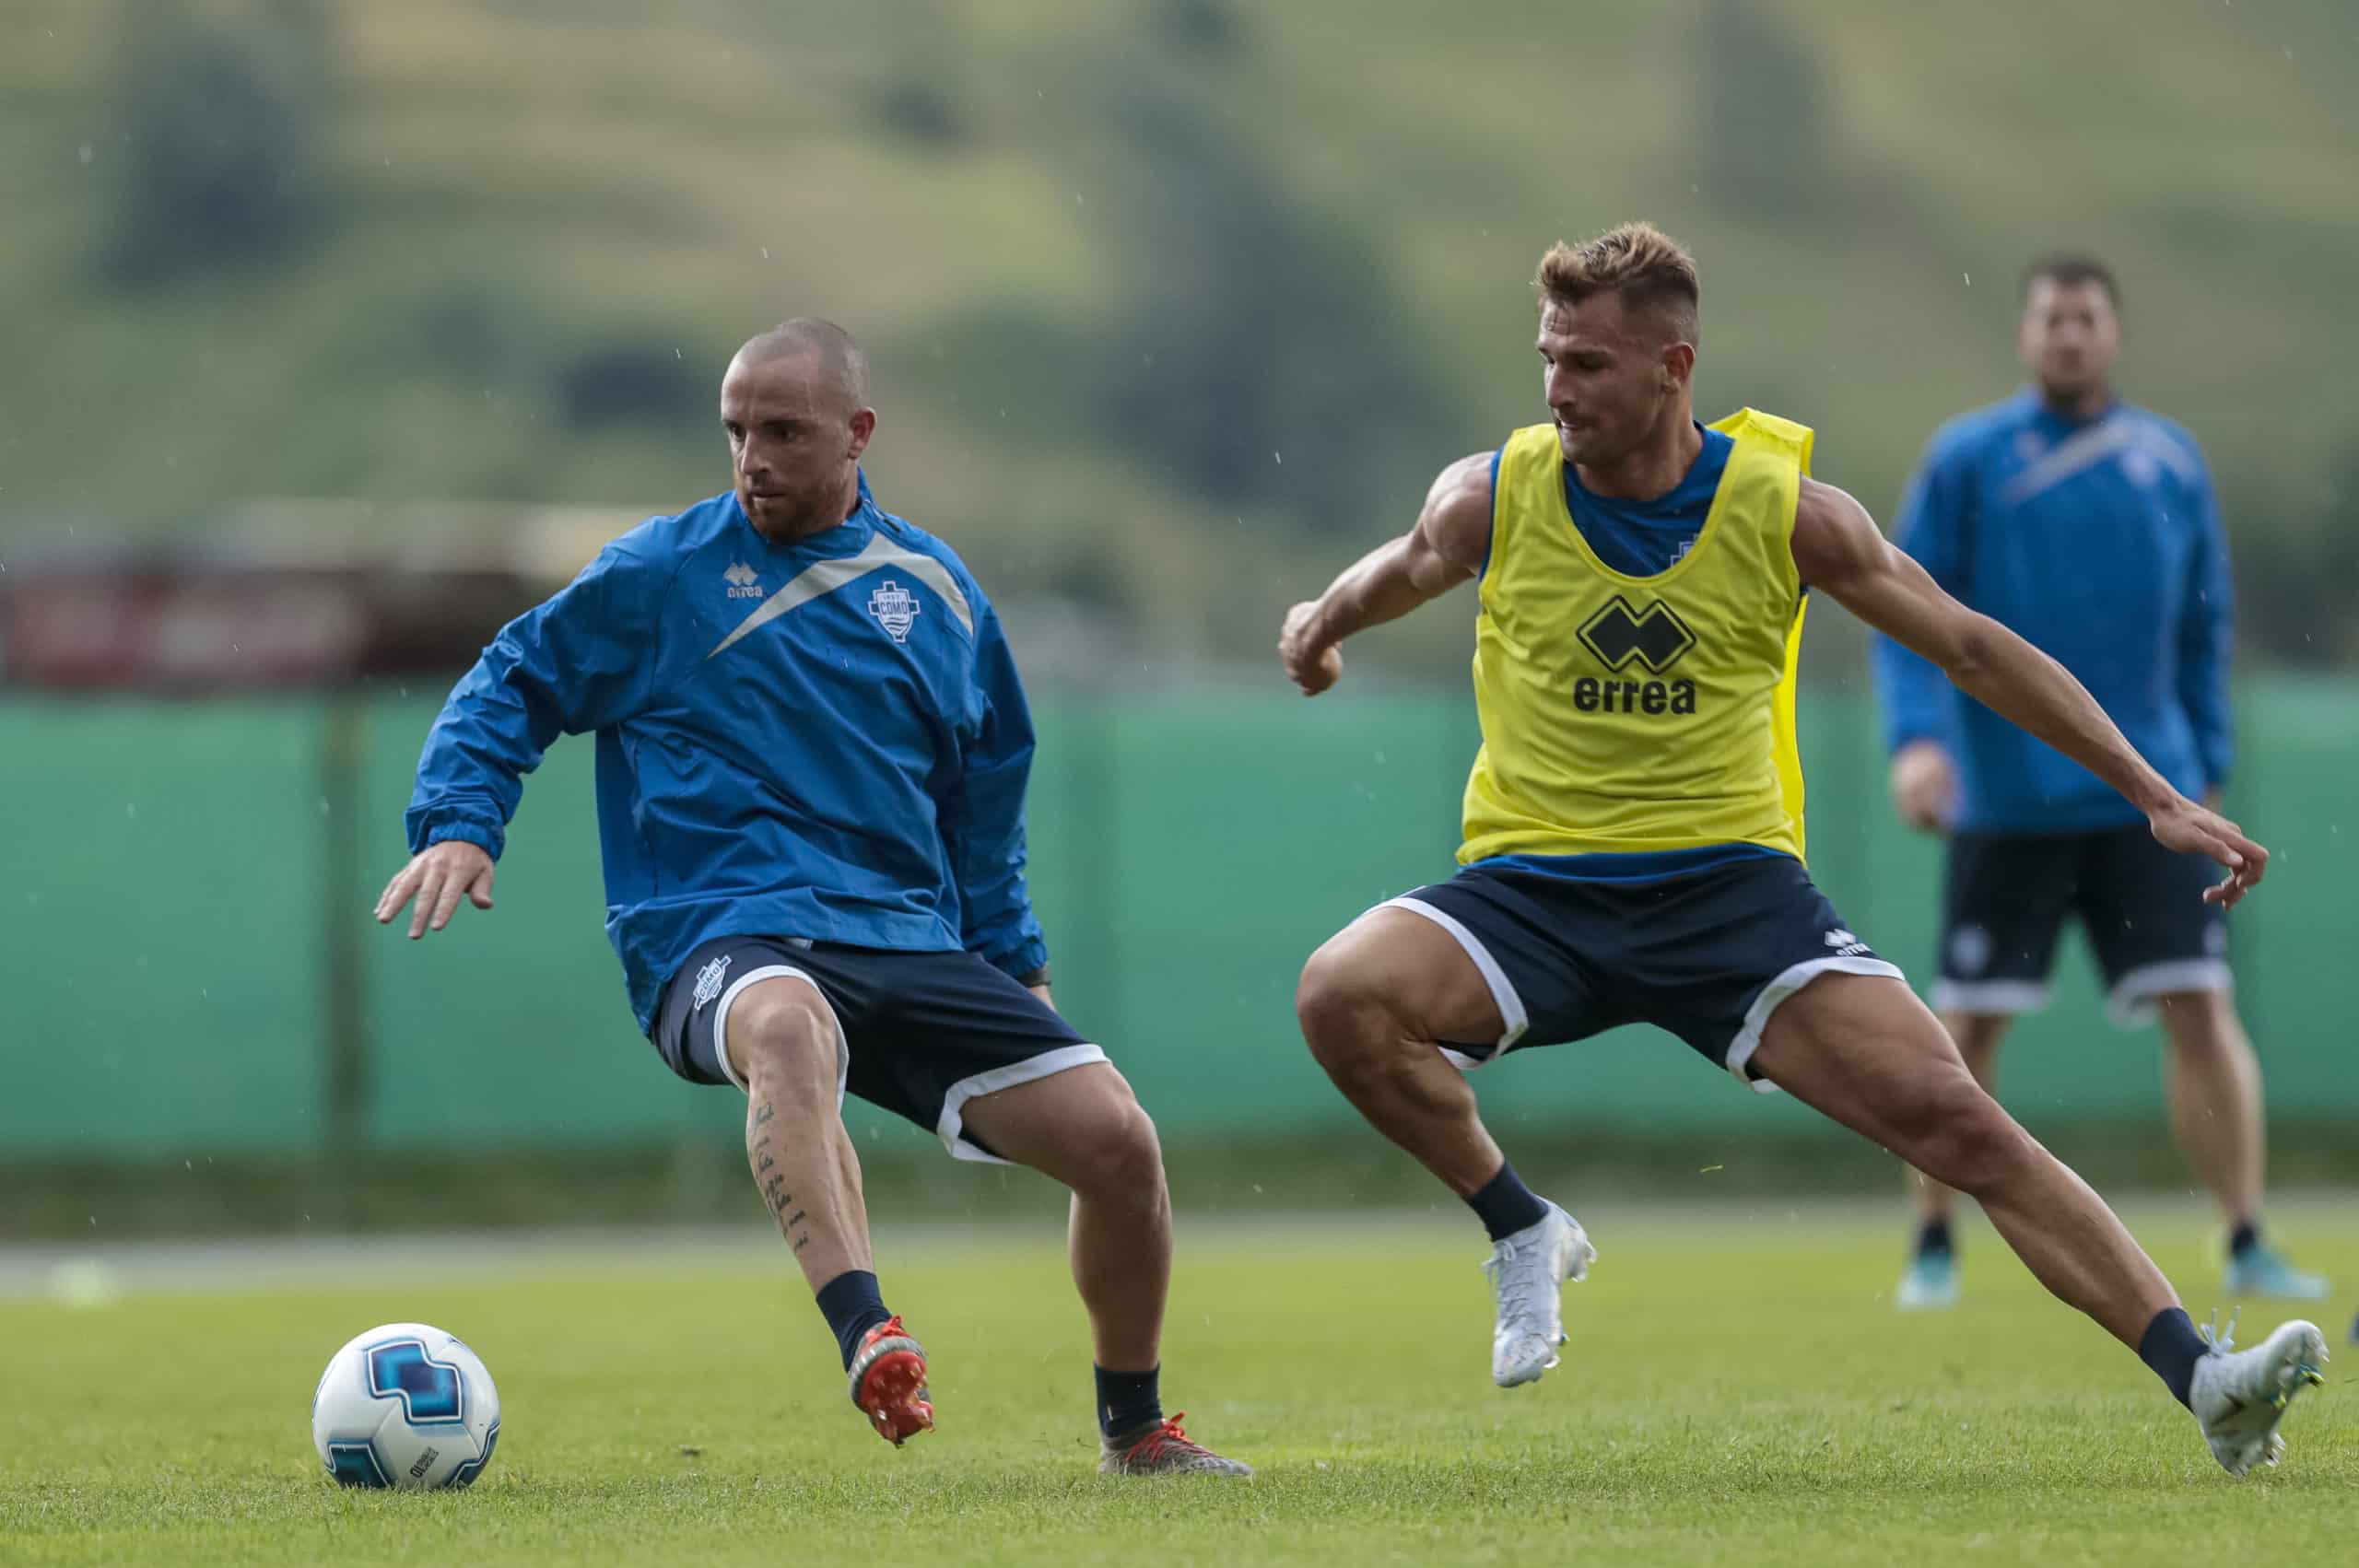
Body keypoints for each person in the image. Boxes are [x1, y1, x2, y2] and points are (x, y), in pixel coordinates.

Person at [1277, 224, 2324, 1476]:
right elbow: (1405, 567)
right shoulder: (1494, 494)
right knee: (1340, 992)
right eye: (1549, 359)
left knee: (1964, 1123)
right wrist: (1319, 623)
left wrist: (2153, 794)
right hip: (1533, 888)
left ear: (1676, 365)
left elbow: (1972, 646)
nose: (1558, 390)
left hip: (1731, 893)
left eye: (1590, 366)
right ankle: (1519, 1227)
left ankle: (2205, 1379)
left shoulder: (1788, 512)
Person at [376, 320, 1248, 1478]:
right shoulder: (662, 574)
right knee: (789, 1025)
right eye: (735, 430)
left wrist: (1011, 957)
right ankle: (866, 1329)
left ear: (857, 434)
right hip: (715, 930)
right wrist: (459, 821)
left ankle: (1135, 1430)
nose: (753, 457)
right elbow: (513, 678)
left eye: (783, 431)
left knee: (1121, 1143)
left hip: (903, 936)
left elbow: (983, 797)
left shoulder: (937, 591)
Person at [1872, 255, 2327, 1312]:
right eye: (2048, 318)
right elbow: (1902, 609)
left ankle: (2246, 1233)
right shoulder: (1968, 459)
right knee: (1962, 1030)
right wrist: (1917, 739)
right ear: (2025, 333)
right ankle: (1934, 1243)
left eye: (2084, 318)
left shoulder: (2166, 460)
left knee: (2201, 1004)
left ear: (2111, 333)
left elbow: (2203, 623)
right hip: (2004, 796)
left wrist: (2200, 755)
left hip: (2144, 803)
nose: (2066, 335)